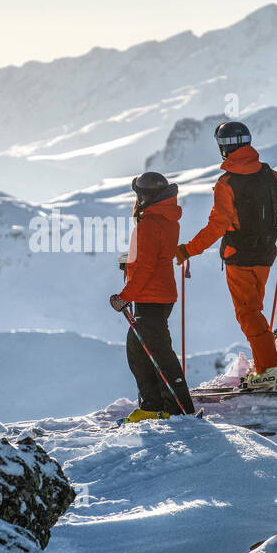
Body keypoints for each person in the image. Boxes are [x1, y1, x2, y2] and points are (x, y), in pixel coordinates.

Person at [175, 121, 277, 390]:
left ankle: (267, 373)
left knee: (248, 313)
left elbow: (217, 226)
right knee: (255, 311)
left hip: (239, 257)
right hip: (266, 255)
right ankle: (264, 367)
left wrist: (188, 250)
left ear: (223, 148)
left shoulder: (227, 183)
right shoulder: (271, 175)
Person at [110, 171, 196, 422]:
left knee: (155, 351)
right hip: (160, 292)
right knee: (143, 348)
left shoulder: (149, 223)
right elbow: (156, 257)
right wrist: (131, 262)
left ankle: (174, 407)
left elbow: (147, 267)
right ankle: (155, 404)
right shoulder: (165, 217)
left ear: (143, 196)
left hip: (151, 295)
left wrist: (124, 297)